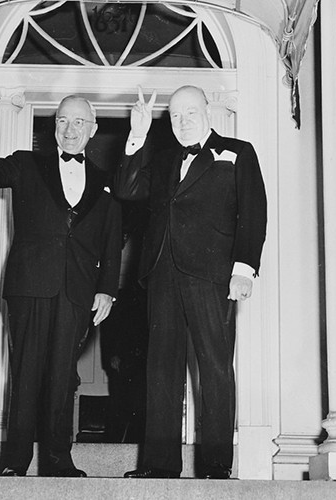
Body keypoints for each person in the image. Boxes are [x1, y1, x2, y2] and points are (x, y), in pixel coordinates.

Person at [0, 78, 122, 477]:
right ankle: (15, 462)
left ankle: (58, 461)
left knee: (63, 377)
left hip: (77, 292)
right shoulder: (27, 163)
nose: (70, 129)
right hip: (30, 286)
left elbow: (111, 240)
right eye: (63, 120)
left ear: (92, 129)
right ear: (54, 126)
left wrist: (107, 290)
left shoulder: (106, 182)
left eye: (79, 122)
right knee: (26, 373)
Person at [115, 85, 267, 479]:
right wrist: (138, 134)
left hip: (212, 276)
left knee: (215, 368)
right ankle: (160, 463)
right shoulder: (163, 158)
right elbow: (127, 189)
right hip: (162, 273)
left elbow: (253, 212)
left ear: (207, 113)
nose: (182, 122)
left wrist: (244, 269)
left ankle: (216, 465)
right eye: (175, 116)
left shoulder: (237, 152)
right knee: (160, 369)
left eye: (190, 113)